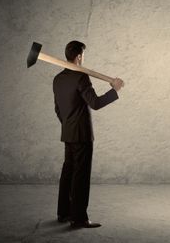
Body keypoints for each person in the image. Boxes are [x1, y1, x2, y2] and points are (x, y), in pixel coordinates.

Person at [53, 40, 124, 228]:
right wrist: (114, 90)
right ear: (78, 56)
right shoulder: (81, 77)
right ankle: (79, 218)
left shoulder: (57, 79)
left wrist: (68, 125)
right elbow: (96, 103)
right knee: (81, 176)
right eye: (83, 55)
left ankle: (63, 213)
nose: (83, 58)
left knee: (68, 172)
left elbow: (58, 110)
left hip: (68, 133)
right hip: (82, 135)